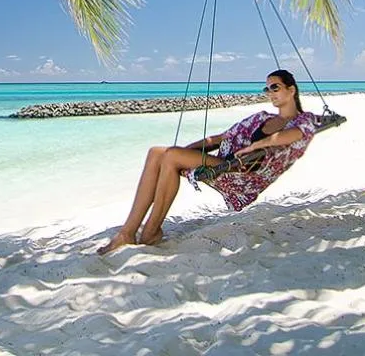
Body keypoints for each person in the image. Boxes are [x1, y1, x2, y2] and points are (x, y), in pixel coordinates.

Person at [96, 70, 326, 254]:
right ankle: (129, 232)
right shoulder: (261, 118)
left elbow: (294, 135)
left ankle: (150, 231)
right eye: (267, 88)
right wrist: (186, 150)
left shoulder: (304, 120)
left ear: (291, 89)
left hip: (241, 174)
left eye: (275, 87)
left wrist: (256, 145)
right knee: (157, 152)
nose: (270, 92)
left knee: (170, 157)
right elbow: (222, 138)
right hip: (225, 162)